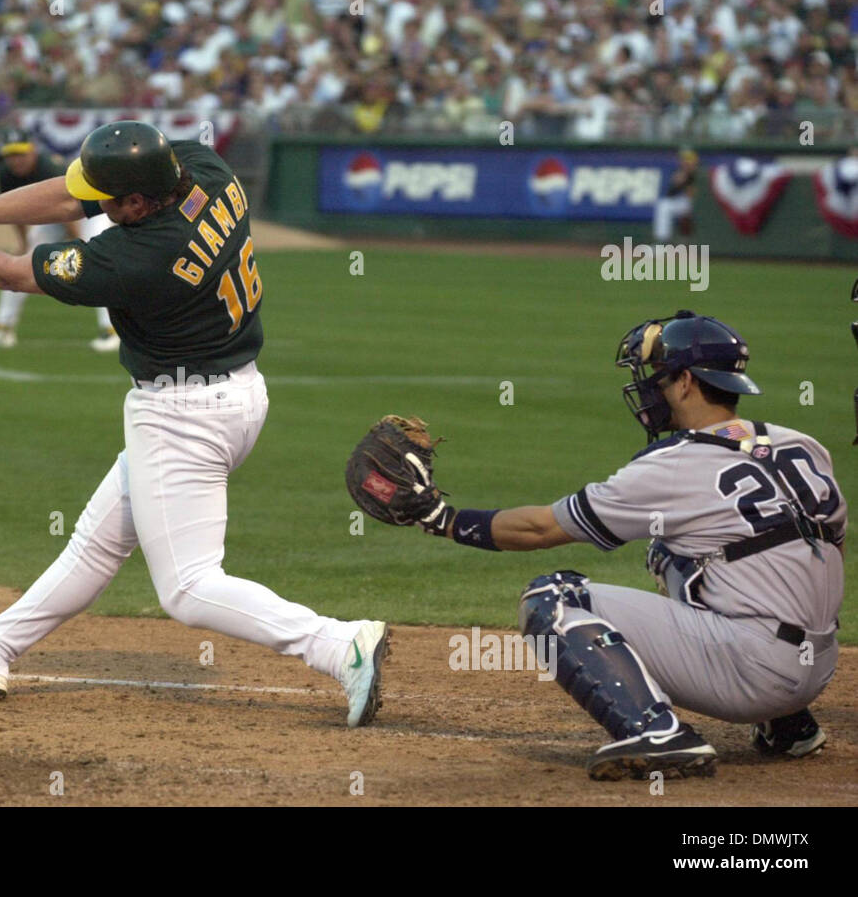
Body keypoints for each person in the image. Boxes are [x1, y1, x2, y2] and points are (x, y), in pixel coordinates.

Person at [0, 120, 389, 728]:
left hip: (182, 416)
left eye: (112, 197)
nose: (93, 201)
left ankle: (339, 645)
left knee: (189, 587)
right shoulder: (204, 169)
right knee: (95, 545)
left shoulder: (138, 258)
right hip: (233, 391)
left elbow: (8, 273)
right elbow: (70, 195)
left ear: (139, 202)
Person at [355, 310, 845, 778]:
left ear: (688, 381)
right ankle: (791, 725)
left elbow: (542, 529)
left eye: (658, 375)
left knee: (552, 600)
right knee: (684, 551)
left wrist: (442, 519)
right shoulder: (800, 444)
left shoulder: (675, 464)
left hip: (753, 673)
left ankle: (656, 734)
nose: (649, 387)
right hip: (818, 664)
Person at [0, 128, 119, 352]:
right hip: (56, 216)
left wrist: (81, 247)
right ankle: (3, 327)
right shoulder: (5, 173)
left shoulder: (49, 168)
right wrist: (24, 241)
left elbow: (70, 207)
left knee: (102, 264)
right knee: (21, 264)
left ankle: (112, 331)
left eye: (20, 154)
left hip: (89, 211)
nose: (15, 160)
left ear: (32, 150)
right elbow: (14, 211)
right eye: (10, 155)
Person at [654, 148, 698, 241]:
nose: (685, 162)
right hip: (683, 202)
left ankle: (680, 241)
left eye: (688, 160)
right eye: (684, 159)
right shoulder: (679, 172)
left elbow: (693, 193)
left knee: (666, 206)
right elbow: (671, 192)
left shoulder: (698, 172)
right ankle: (662, 242)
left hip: (692, 203)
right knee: (664, 206)